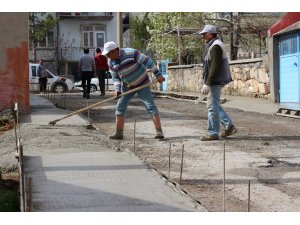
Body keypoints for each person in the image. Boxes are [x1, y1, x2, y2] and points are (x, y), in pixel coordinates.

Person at [102, 41, 165, 140]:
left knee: (150, 106)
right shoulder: (111, 62)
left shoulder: (130, 53)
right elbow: (115, 77)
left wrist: (158, 74)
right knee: (120, 107)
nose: (107, 56)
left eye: (108, 54)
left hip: (143, 83)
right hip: (127, 86)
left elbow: (147, 61)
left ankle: (159, 131)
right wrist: (117, 90)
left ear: (114, 51)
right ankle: (119, 133)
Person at [198, 25, 237, 141]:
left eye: (204, 34)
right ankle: (229, 126)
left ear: (210, 34)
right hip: (214, 80)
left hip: (214, 81)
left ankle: (213, 133)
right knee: (214, 105)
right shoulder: (214, 45)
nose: (203, 37)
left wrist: (208, 83)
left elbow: (215, 67)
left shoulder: (215, 46)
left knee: (212, 107)